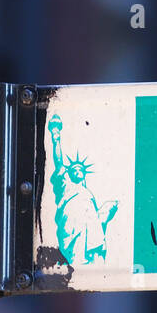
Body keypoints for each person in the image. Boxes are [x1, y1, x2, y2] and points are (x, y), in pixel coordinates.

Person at [47, 114, 117, 266]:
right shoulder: (65, 184)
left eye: (81, 170)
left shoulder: (87, 193)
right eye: (74, 169)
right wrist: (56, 137)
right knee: (76, 258)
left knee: (91, 259)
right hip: (71, 225)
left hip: (90, 230)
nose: (78, 171)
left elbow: (97, 220)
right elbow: (59, 163)